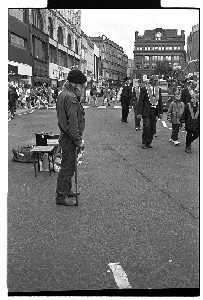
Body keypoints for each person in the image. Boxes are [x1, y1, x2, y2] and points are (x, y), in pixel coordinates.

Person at [55, 69, 87, 206]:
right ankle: (61, 197)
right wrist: (79, 141)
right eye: (82, 86)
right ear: (75, 85)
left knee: (68, 166)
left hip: (65, 136)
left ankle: (66, 191)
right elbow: (72, 124)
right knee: (67, 168)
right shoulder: (71, 98)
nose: (83, 89)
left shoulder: (63, 94)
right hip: (70, 138)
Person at [137, 75, 163, 149]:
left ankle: (149, 142)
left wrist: (160, 112)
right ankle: (144, 142)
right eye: (155, 80)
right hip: (146, 111)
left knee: (152, 127)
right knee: (147, 126)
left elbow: (160, 101)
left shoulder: (158, 90)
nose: (156, 82)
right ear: (151, 81)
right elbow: (140, 101)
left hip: (154, 111)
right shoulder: (144, 89)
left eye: (157, 80)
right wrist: (139, 113)